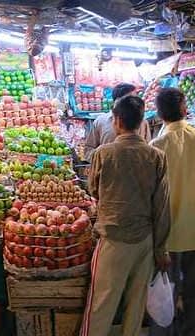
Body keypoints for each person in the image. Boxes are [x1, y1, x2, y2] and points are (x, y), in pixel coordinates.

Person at [80, 95, 171, 336]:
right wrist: (160, 248)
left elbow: (93, 189)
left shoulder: (103, 153)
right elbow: (161, 205)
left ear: (116, 121)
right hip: (145, 241)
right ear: (141, 122)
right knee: (135, 306)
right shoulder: (156, 156)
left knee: (101, 306)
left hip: (113, 238)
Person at [150, 88, 195, 336]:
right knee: (193, 291)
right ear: (184, 109)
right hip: (194, 231)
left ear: (158, 114)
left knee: (165, 292)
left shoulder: (156, 146)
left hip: (167, 235)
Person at [84, 83, 151, 162]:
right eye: (130, 100)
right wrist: (103, 159)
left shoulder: (143, 122)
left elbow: (148, 147)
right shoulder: (100, 121)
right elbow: (89, 150)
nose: (134, 103)